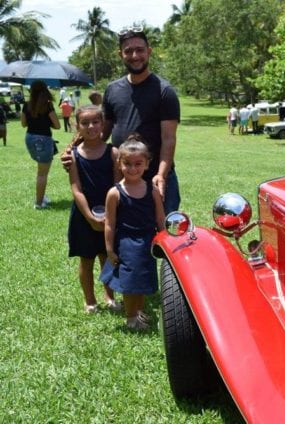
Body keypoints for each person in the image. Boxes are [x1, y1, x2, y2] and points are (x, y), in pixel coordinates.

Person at [61, 27, 181, 213]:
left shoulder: (164, 91)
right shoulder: (112, 89)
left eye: (140, 50)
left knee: (163, 236)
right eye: (128, 51)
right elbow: (101, 132)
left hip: (155, 178)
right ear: (120, 54)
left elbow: (169, 139)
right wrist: (73, 151)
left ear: (149, 51)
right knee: (125, 235)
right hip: (122, 178)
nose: (135, 55)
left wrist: (161, 175)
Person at [103, 135, 165, 330]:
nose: (132, 168)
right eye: (127, 164)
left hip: (148, 241)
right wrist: (109, 249)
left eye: (138, 164)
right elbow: (110, 223)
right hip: (126, 243)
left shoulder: (152, 189)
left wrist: (164, 242)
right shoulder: (114, 193)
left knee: (143, 280)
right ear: (119, 164)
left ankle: (138, 313)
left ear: (147, 164)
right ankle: (131, 318)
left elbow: (160, 219)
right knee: (130, 283)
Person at [68, 105, 122, 313]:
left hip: (110, 214)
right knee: (87, 258)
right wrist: (90, 216)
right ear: (77, 126)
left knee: (107, 257)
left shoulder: (112, 152)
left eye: (95, 122)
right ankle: (90, 301)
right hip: (83, 215)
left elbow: (118, 187)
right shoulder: (73, 155)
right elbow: (76, 189)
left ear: (102, 124)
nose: (91, 126)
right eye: (85, 123)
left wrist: (110, 215)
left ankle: (109, 296)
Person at [22, 80, 61, 209]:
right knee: (42, 174)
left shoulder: (26, 105)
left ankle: (41, 196)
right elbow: (57, 125)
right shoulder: (48, 105)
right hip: (44, 139)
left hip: (30, 138)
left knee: (41, 171)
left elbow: (23, 124)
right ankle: (38, 203)